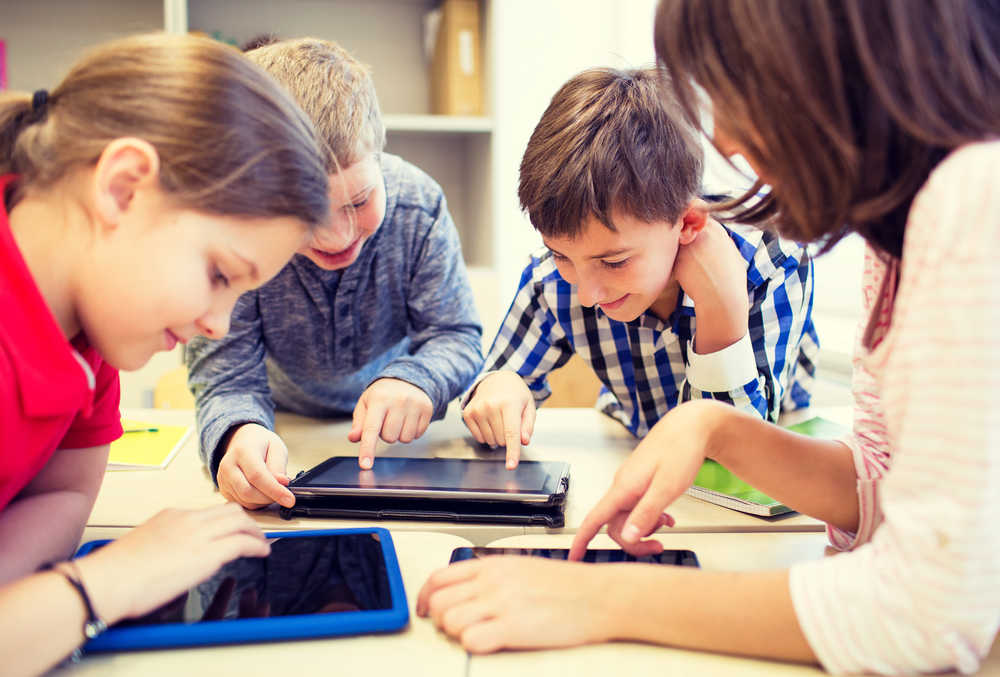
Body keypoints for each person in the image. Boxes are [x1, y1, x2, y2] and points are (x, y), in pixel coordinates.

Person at [417, 1, 1000, 673]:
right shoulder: (894, 236)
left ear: (830, 60)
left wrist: (607, 595)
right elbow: (878, 486)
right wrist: (714, 426)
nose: (720, 137)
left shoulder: (971, 197)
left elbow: (929, 610)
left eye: (733, 87)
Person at [0, 32, 331, 675]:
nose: (219, 324)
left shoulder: (90, 325)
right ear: (123, 187)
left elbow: (65, 494)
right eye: (218, 274)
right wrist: (108, 582)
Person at [462, 66, 818, 467]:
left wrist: (721, 307)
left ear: (687, 224)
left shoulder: (772, 258)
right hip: (634, 446)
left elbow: (735, 452)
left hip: (772, 466)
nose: (587, 293)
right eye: (561, 254)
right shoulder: (552, 280)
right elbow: (491, 383)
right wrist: (500, 387)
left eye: (614, 261)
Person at [185, 37, 483, 511]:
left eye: (360, 201)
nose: (337, 236)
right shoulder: (239, 232)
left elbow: (457, 334)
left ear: (380, 152)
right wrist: (238, 434)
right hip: (283, 429)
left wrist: (418, 378)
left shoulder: (419, 205)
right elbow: (227, 378)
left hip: (403, 443)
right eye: (308, 215)